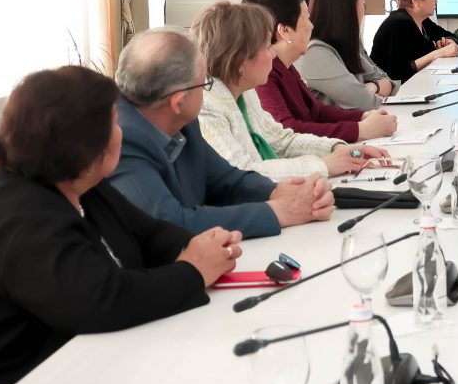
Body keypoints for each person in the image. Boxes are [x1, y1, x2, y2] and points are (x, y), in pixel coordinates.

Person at [0, 67, 240, 384]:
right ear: (85, 147)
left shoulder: (78, 185)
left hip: (57, 377)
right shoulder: (21, 217)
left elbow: (150, 233)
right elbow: (104, 301)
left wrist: (203, 246)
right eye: (114, 123)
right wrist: (193, 272)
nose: (122, 132)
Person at [109, 27, 334, 238]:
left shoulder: (182, 122)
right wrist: (278, 212)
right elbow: (170, 222)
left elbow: (227, 180)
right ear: (178, 101)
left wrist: (278, 192)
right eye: (204, 83)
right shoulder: (121, 139)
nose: (208, 90)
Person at [192, 2, 388, 180]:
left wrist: (342, 150)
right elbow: (242, 173)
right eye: (267, 46)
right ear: (240, 59)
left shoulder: (245, 92)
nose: (273, 54)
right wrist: (324, 165)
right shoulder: (207, 107)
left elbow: (282, 141)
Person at [297, 0, 394, 110]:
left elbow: (389, 82)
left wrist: (372, 86)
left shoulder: (343, 45)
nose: (364, 9)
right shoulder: (315, 52)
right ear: (347, 8)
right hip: (347, 124)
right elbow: (366, 103)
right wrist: (370, 90)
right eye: (362, 1)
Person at [368, 0, 458, 82]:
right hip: (390, 89)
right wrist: (438, 53)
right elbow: (398, 73)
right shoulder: (398, 24)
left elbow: (451, 36)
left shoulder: (423, 21)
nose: (436, 0)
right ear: (416, 0)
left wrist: (449, 42)